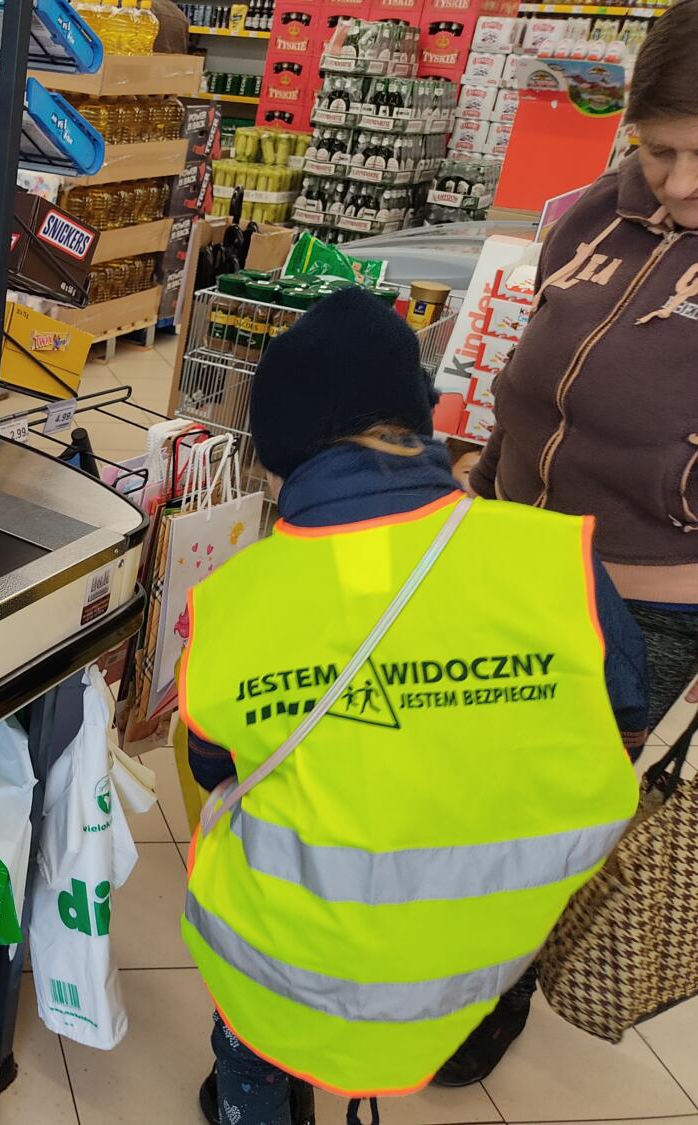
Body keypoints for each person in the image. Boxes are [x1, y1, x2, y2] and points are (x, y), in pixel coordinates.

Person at [179, 288, 646, 1125]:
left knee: (253, 1038)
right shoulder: (558, 564)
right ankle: (438, 1055)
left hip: (284, 964)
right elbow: (619, 729)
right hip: (478, 955)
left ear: (281, 451)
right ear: (416, 424)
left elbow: (214, 765)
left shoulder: (236, 601)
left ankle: (256, 1105)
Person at [466, 0, 698, 747]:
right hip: (517, 559)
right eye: (658, 150)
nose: (679, 183)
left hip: (656, 607)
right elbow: (533, 371)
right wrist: (481, 495)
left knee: (592, 799)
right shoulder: (598, 212)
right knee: (484, 769)